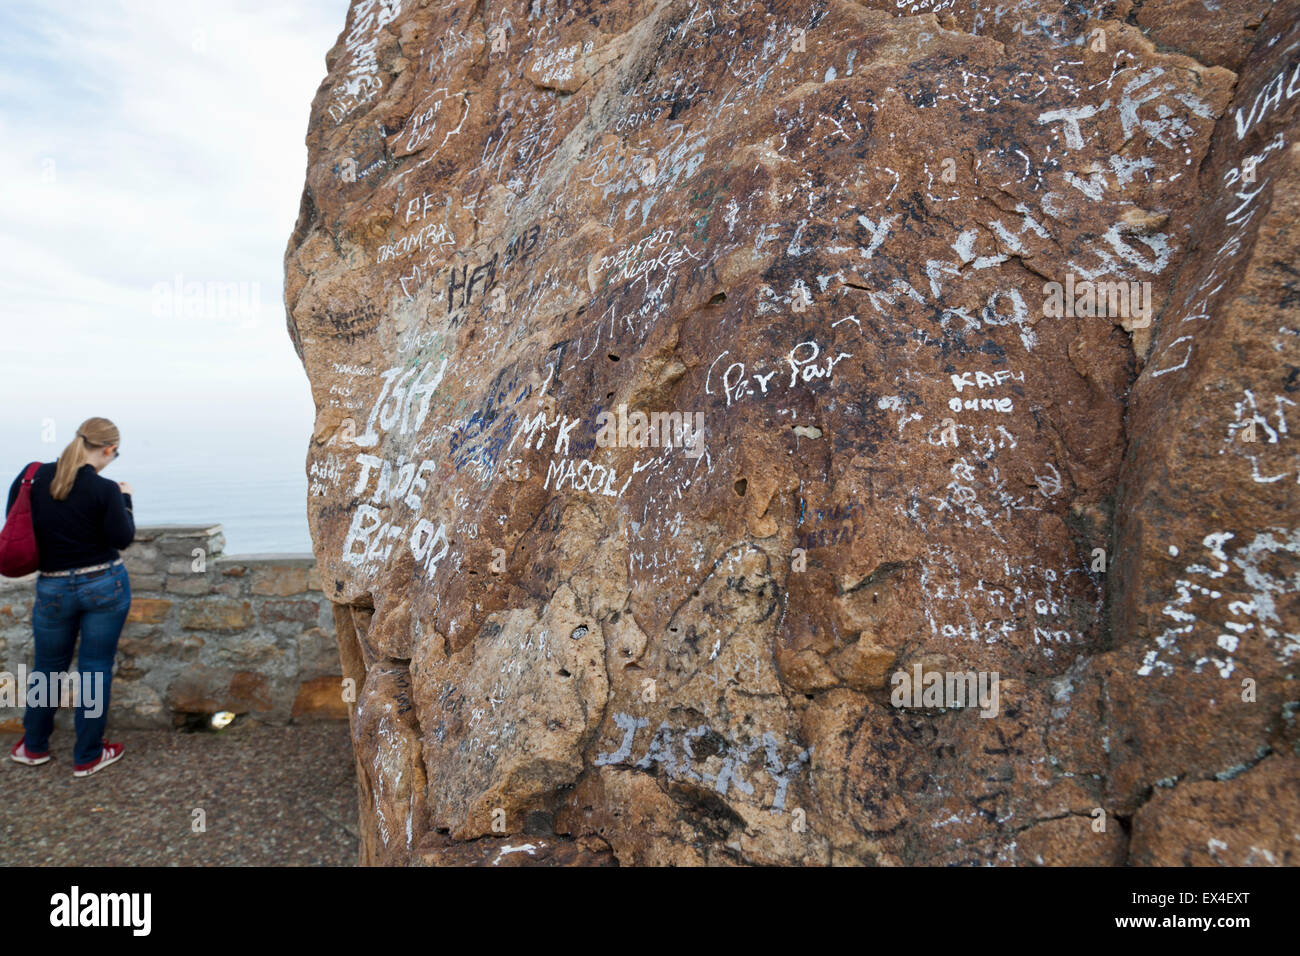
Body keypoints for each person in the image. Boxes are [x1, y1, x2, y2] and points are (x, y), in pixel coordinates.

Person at [6, 417, 134, 777]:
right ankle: (88, 755)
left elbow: (17, 525)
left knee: (47, 668)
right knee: (94, 670)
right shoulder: (106, 489)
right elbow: (122, 537)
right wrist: (126, 500)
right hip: (104, 584)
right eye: (115, 452)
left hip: (53, 587)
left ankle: (33, 747)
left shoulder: (32, 476)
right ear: (108, 449)